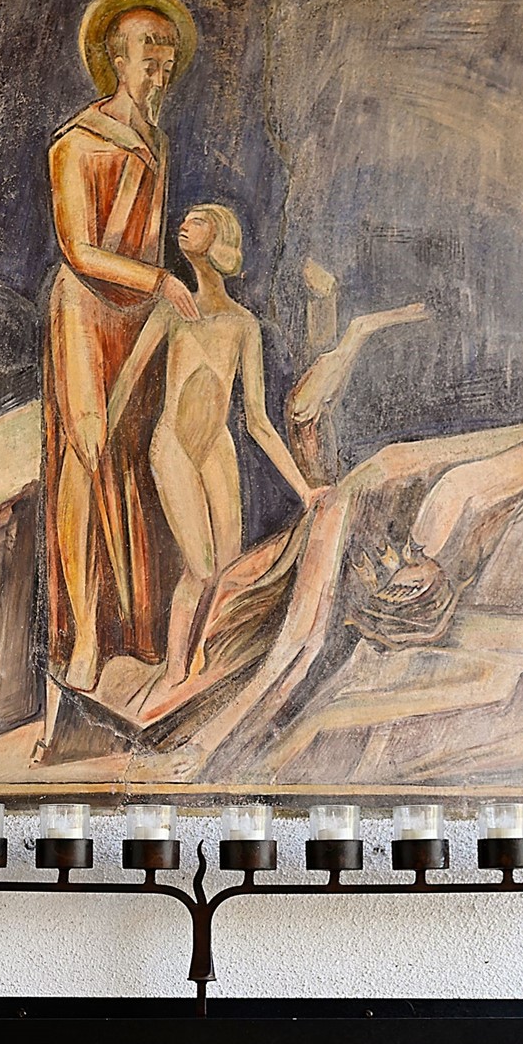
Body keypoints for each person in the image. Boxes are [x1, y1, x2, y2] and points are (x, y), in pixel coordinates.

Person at [41, 0, 200, 731]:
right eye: (147, 52)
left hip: (139, 317)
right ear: (115, 58)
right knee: (87, 451)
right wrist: (161, 279)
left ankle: (134, 627)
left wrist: (160, 293)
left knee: (133, 458)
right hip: (85, 314)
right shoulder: (76, 142)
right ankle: (82, 637)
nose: (158, 67)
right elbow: (80, 249)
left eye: (167, 55)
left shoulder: (156, 144)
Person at [106, 204, 319, 691]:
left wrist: (305, 491)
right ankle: (174, 673)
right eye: (185, 220)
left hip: (217, 448)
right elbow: (128, 381)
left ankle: (201, 661)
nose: (184, 225)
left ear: (220, 236)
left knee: (228, 566)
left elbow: (259, 422)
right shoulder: (171, 311)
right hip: (174, 448)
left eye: (198, 220)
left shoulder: (244, 325)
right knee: (200, 569)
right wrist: (103, 444)